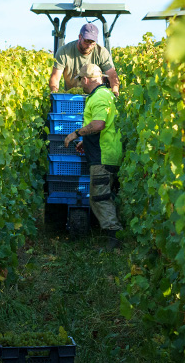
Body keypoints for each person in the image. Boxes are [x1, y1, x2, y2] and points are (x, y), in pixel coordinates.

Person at [61, 63, 123, 249]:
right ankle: (114, 236)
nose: (80, 84)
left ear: (86, 79)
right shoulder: (105, 95)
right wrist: (85, 142)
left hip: (103, 156)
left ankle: (114, 240)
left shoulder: (99, 97)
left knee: (99, 198)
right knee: (103, 196)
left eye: (81, 80)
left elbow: (98, 125)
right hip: (106, 152)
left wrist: (76, 134)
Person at [47, 23, 120, 96]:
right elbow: (55, 78)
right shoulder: (64, 52)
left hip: (96, 97)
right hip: (71, 97)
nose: (89, 45)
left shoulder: (102, 52)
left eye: (92, 42)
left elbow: (112, 75)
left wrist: (115, 92)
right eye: (86, 41)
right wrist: (54, 93)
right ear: (80, 37)